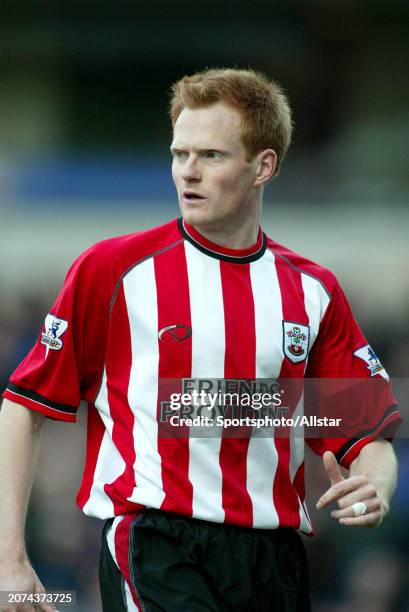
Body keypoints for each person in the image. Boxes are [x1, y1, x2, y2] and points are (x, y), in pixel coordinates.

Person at [0, 68, 401, 612]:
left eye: (210, 155)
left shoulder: (313, 291)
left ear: (263, 166)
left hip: (274, 559)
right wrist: (9, 561)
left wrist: (377, 483)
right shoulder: (113, 271)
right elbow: (23, 406)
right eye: (178, 153)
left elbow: (361, 431)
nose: (187, 172)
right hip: (157, 544)